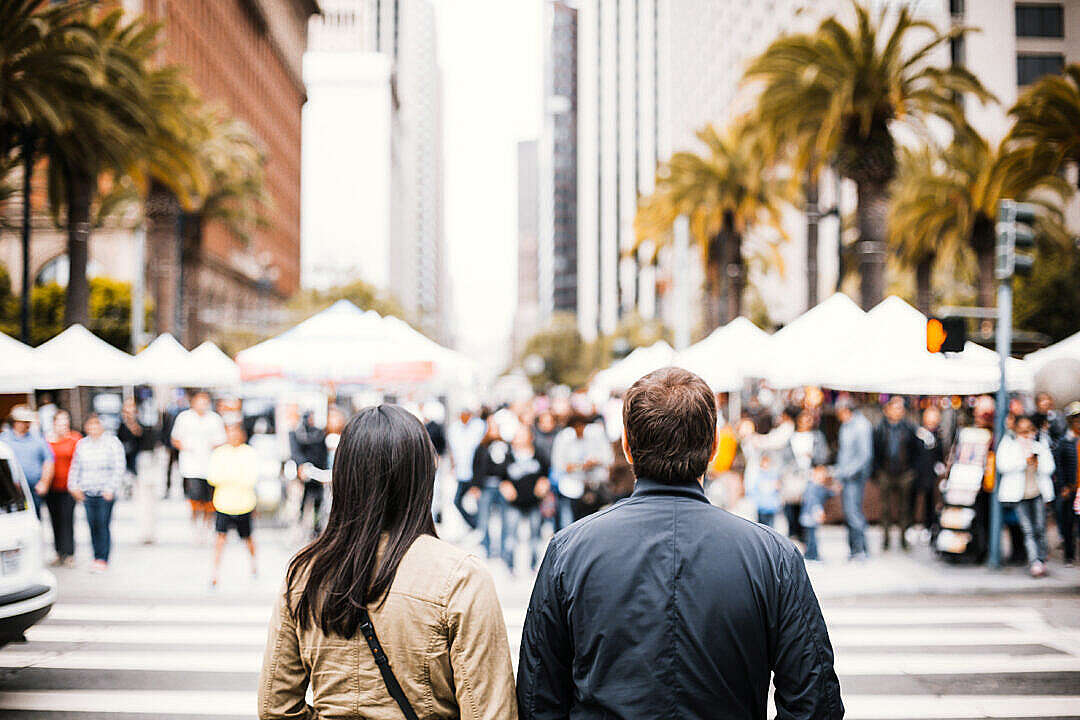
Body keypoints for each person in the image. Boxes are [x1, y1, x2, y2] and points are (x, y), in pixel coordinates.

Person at [517, 368, 842, 719]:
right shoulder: (773, 557)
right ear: (714, 445)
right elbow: (815, 703)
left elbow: (538, 699)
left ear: (627, 446)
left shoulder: (569, 551)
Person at [259, 405, 516, 720]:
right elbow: (489, 711)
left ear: (343, 476)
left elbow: (276, 708)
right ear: (423, 478)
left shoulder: (305, 572)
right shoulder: (460, 576)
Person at [996, 415, 1055, 578]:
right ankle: (1034, 562)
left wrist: (1037, 462)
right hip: (1019, 495)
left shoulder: (1039, 446)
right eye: (1022, 431)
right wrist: (1023, 460)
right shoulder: (1009, 445)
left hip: (1037, 493)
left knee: (1040, 528)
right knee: (1028, 529)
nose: (1026, 435)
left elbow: (1049, 468)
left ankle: (1042, 559)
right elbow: (1003, 466)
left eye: (1029, 431)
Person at [68, 414, 126, 572]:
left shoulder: (112, 443)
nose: (93, 428)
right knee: (92, 524)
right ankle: (95, 556)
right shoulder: (82, 444)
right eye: (90, 425)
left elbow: (119, 467)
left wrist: (111, 488)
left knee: (103, 524)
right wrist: (73, 486)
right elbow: (75, 467)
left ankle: (103, 557)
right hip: (88, 490)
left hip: (104, 491)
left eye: (96, 425)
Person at [208, 418, 258, 588]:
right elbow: (213, 477)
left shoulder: (249, 452)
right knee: (220, 539)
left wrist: (229, 477)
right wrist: (235, 477)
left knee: (248, 538)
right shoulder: (219, 453)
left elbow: (250, 478)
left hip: (244, 504)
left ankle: (253, 565)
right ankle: (215, 571)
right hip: (224, 503)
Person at [171, 391, 226, 532]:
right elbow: (175, 439)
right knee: (195, 497)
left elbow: (221, 440)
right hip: (191, 466)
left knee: (209, 499)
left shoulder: (214, 419)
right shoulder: (184, 418)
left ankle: (207, 523)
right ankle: (195, 522)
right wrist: (187, 447)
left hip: (210, 466)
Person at [550, 411, 613, 526]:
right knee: (571, 523)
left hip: (595, 486)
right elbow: (558, 465)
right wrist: (579, 466)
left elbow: (608, 457)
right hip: (572, 488)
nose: (580, 430)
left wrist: (595, 461)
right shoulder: (564, 438)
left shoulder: (596, 434)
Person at [873, 396, 920, 551]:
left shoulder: (909, 428)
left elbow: (916, 451)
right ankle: (885, 539)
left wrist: (912, 471)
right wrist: (878, 471)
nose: (897, 411)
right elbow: (876, 451)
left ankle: (903, 538)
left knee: (904, 508)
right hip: (885, 472)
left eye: (900, 408)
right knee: (885, 508)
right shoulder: (880, 428)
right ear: (887, 410)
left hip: (905, 472)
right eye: (894, 407)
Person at [830, 395, 874, 560]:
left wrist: (847, 472)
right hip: (845, 476)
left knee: (854, 513)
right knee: (849, 513)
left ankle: (861, 549)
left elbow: (864, 456)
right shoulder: (846, 426)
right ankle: (854, 549)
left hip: (855, 478)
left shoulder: (861, 426)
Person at [500, 426, 549, 573]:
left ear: (530, 437)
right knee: (511, 535)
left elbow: (546, 472)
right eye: (517, 435)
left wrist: (543, 484)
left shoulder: (538, 454)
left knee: (535, 535)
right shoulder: (508, 456)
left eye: (523, 435)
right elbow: (501, 476)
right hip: (514, 502)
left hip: (534, 501)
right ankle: (510, 565)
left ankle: (533, 565)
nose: (520, 438)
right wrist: (505, 486)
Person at [780, 410, 829, 542]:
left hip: (811, 477)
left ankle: (806, 539)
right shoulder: (792, 438)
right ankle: (794, 533)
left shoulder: (817, 437)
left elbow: (823, 457)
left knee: (808, 511)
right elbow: (785, 459)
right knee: (792, 507)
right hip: (794, 479)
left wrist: (812, 458)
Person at [42, 410, 80, 567]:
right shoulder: (47, 440)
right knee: (54, 520)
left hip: (68, 487)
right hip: (52, 487)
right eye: (60, 422)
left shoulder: (75, 439)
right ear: (54, 423)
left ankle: (69, 553)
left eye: (66, 422)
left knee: (67, 520)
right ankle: (59, 552)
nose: (63, 426)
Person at [1, 405, 53, 518]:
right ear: (15, 422)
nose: (26, 425)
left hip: (34, 488)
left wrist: (44, 482)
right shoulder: (4, 439)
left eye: (27, 422)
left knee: (35, 518)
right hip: (11, 491)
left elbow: (48, 460)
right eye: (22, 421)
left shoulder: (38, 439)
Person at [471, 413, 511, 559]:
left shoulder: (505, 446)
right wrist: (475, 486)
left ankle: (502, 551)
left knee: (505, 520)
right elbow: (476, 467)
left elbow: (509, 466)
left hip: (501, 485)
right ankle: (487, 548)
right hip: (485, 486)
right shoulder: (481, 447)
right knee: (484, 519)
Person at [291, 411, 329, 538]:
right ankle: (300, 526)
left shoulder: (318, 434)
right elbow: (296, 453)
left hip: (318, 473)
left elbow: (323, 454)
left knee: (318, 501)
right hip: (305, 474)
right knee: (303, 501)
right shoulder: (298, 434)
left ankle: (316, 528)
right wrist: (302, 467)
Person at [448, 407, 485, 530]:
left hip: (476, 472)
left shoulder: (479, 426)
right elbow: (453, 451)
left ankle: (481, 526)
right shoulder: (454, 429)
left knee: (480, 502)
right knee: (457, 501)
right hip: (462, 472)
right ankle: (475, 524)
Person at [912, 405, 946, 536]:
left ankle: (929, 526)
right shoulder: (918, 433)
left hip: (931, 474)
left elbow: (940, 455)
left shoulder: (938, 436)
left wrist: (940, 466)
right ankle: (913, 526)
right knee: (913, 498)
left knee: (930, 500)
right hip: (917, 472)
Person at [1053, 402, 1080, 566]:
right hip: (1071, 488)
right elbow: (1060, 466)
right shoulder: (1065, 442)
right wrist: (1063, 486)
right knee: (1068, 522)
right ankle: (1069, 555)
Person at [801, 466, 839, 562]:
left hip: (812, 516)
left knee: (812, 536)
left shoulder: (820, 487)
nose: (821, 478)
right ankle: (811, 555)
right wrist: (817, 511)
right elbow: (812, 502)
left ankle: (812, 554)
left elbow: (830, 493)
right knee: (811, 537)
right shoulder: (812, 487)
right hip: (809, 516)